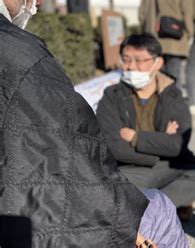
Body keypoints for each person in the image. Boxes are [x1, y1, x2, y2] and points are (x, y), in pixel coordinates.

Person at [0, 0, 149, 246]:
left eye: (140, 61)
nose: (37, 3)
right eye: (128, 60)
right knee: (159, 212)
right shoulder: (21, 54)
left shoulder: (169, 94)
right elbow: (75, 154)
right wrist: (126, 227)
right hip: (34, 210)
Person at [96, 34, 195, 221]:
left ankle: (144, 207)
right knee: (120, 182)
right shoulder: (112, 95)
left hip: (170, 165)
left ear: (158, 62)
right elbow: (111, 144)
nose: (131, 67)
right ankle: (167, 205)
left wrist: (135, 137)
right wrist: (159, 149)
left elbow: (177, 145)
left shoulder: (173, 96)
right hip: (131, 167)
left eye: (139, 60)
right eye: (126, 60)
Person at [139, 0, 194, 96]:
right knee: (174, 74)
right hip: (175, 37)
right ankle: (173, 103)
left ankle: (157, 103)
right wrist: (190, 32)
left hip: (153, 36)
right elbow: (187, 13)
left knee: (155, 75)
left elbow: (141, 14)